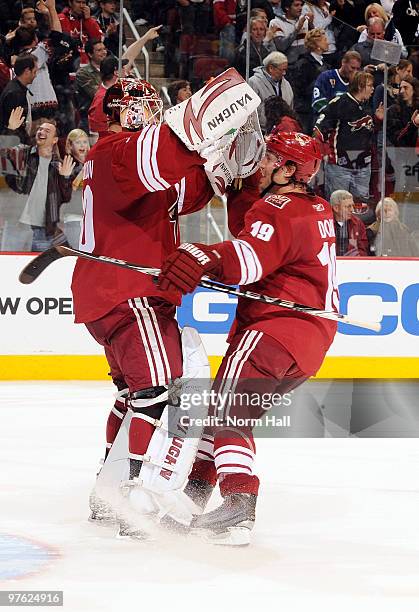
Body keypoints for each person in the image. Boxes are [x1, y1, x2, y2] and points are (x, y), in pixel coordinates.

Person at [69, 72, 259, 538]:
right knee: (165, 390)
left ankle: (107, 489)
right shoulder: (116, 151)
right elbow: (162, 154)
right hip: (130, 292)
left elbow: (184, 189)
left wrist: (225, 169)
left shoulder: (122, 163)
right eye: (150, 107)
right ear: (129, 110)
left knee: (134, 394)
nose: (156, 116)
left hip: (113, 294)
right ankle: (136, 495)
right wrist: (195, 126)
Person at [157, 131, 338, 545]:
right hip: (308, 342)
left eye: (272, 157)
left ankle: (239, 503)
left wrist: (208, 255)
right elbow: (259, 236)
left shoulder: (278, 208)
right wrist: (240, 196)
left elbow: (250, 257)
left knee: (226, 412)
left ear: (290, 170)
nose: (262, 162)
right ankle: (194, 498)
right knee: (225, 415)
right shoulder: (316, 207)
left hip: (274, 328)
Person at [2, 109, 75, 251]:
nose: (41, 132)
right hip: (17, 224)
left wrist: (65, 178)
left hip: (43, 229)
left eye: (47, 130)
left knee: (38, 271)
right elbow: (4, 152)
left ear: (54, 140)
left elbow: (65, 198)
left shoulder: (58, 166)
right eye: (40, 129)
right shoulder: (24, 153)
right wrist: (11, 130)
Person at [313, 70, 384, 200]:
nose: (373, 89)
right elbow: (319, 130)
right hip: (340, 167)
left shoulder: (366, 105)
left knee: (360, 208)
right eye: (370, 85)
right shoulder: (339, 103)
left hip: (363, 166)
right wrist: (326, 155)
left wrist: (377, 120)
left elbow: (368, 131)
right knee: (339, 206)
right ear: (360, 86)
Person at [292, 28, 329, 133]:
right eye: (324, 40)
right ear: (317, 43)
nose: (327, 42)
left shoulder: (325, 64)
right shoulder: (303, 64)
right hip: (306, 112)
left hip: (320, 110)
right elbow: (299, 89)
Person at [248, 51, 293, 133]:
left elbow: (291, 106)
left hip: (283, 131)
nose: (284, 73)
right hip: (261, 132)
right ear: (271, 68)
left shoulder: (286, 84)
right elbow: (250, 111)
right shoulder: (253, 82)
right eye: (281, 70)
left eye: (285, 70)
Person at [60, 128, 90, 247]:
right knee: (78, 251)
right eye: (78, 142)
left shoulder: (92, 162)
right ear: (70, 145)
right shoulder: (67, 164)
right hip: (73, 215)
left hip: (91, 216)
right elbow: (67, 192)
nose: (82, 145)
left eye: (84, 141)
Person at [311, 50, 362, 121]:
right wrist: (336, 115)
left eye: (358, 69)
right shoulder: (326, 77)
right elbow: (317, 102)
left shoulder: (357, 83)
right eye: (352, 68)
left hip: (346, 125)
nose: (355, 72)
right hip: (325, 123)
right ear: (343, 62)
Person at [0, 54, 38, 143]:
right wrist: (27, 143)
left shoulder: (16, 88)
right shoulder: (15, 93)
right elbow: (15, 126)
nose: (36, 75)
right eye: (35, 71)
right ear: (27, 71)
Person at [58, 0, 103, 65]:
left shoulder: (90, 20)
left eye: (84, 3)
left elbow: (98, 39)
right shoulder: (61, 18)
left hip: (88, 65)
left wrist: (88, 20)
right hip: (67, 63)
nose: (81, 6)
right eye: (78, 2)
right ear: (70, 3)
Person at [330, 189, 368, 256]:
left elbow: (363, 249)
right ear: (336, 208)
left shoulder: (358, 223)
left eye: (352, 206)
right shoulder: (325, 223)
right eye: (348, 207)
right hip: (331, 263)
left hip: (352, 263)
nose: (352, 210)